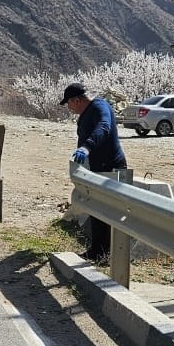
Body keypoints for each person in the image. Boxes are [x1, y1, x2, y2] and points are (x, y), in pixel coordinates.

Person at [63, 82, 126, 263]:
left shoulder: (100, 107)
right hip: (97, 166)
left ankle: (106, 254)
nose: (68, 107)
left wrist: (87, 147)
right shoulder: (86, 113)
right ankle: (97, 251)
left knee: (108, 210)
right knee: (97, 208)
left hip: (111, 166)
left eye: (68, 103)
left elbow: (104, 127)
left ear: (76, 100)